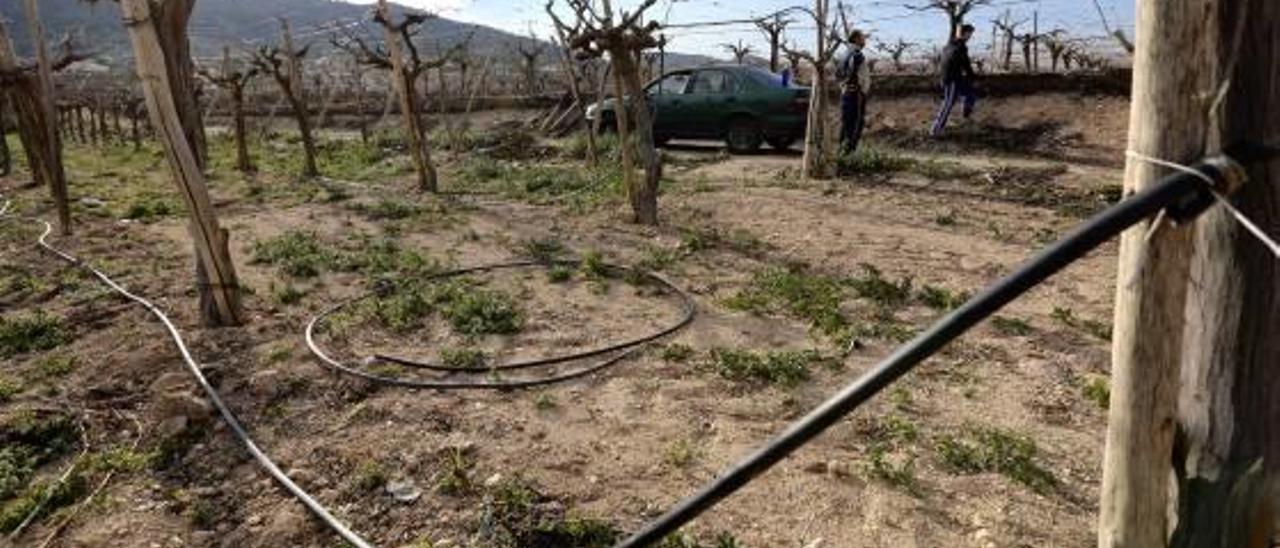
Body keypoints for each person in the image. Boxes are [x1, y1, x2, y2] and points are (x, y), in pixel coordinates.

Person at [930, 24, 978, 137]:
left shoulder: (949, 45)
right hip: (952, 80)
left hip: (953, 78)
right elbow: (966, 64)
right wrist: (973, 77)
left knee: (971, 94)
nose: (971, 36)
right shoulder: (960, 47)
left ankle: (966, 117)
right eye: (970, 33)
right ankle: (935, 130)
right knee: (948, 103)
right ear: (965, 33)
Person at [835, 29, 871, 156]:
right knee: (856, 124)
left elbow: (838, 75)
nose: (864, 41)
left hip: (846, 93)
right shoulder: (857, 55)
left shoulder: (843, 55)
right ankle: (849, 154)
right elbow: (862, 78)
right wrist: (863, 91)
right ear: (856, 39)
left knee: (846, 123)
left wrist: (844, 87)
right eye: (862, 38)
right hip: (856, 95)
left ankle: (841, 153)